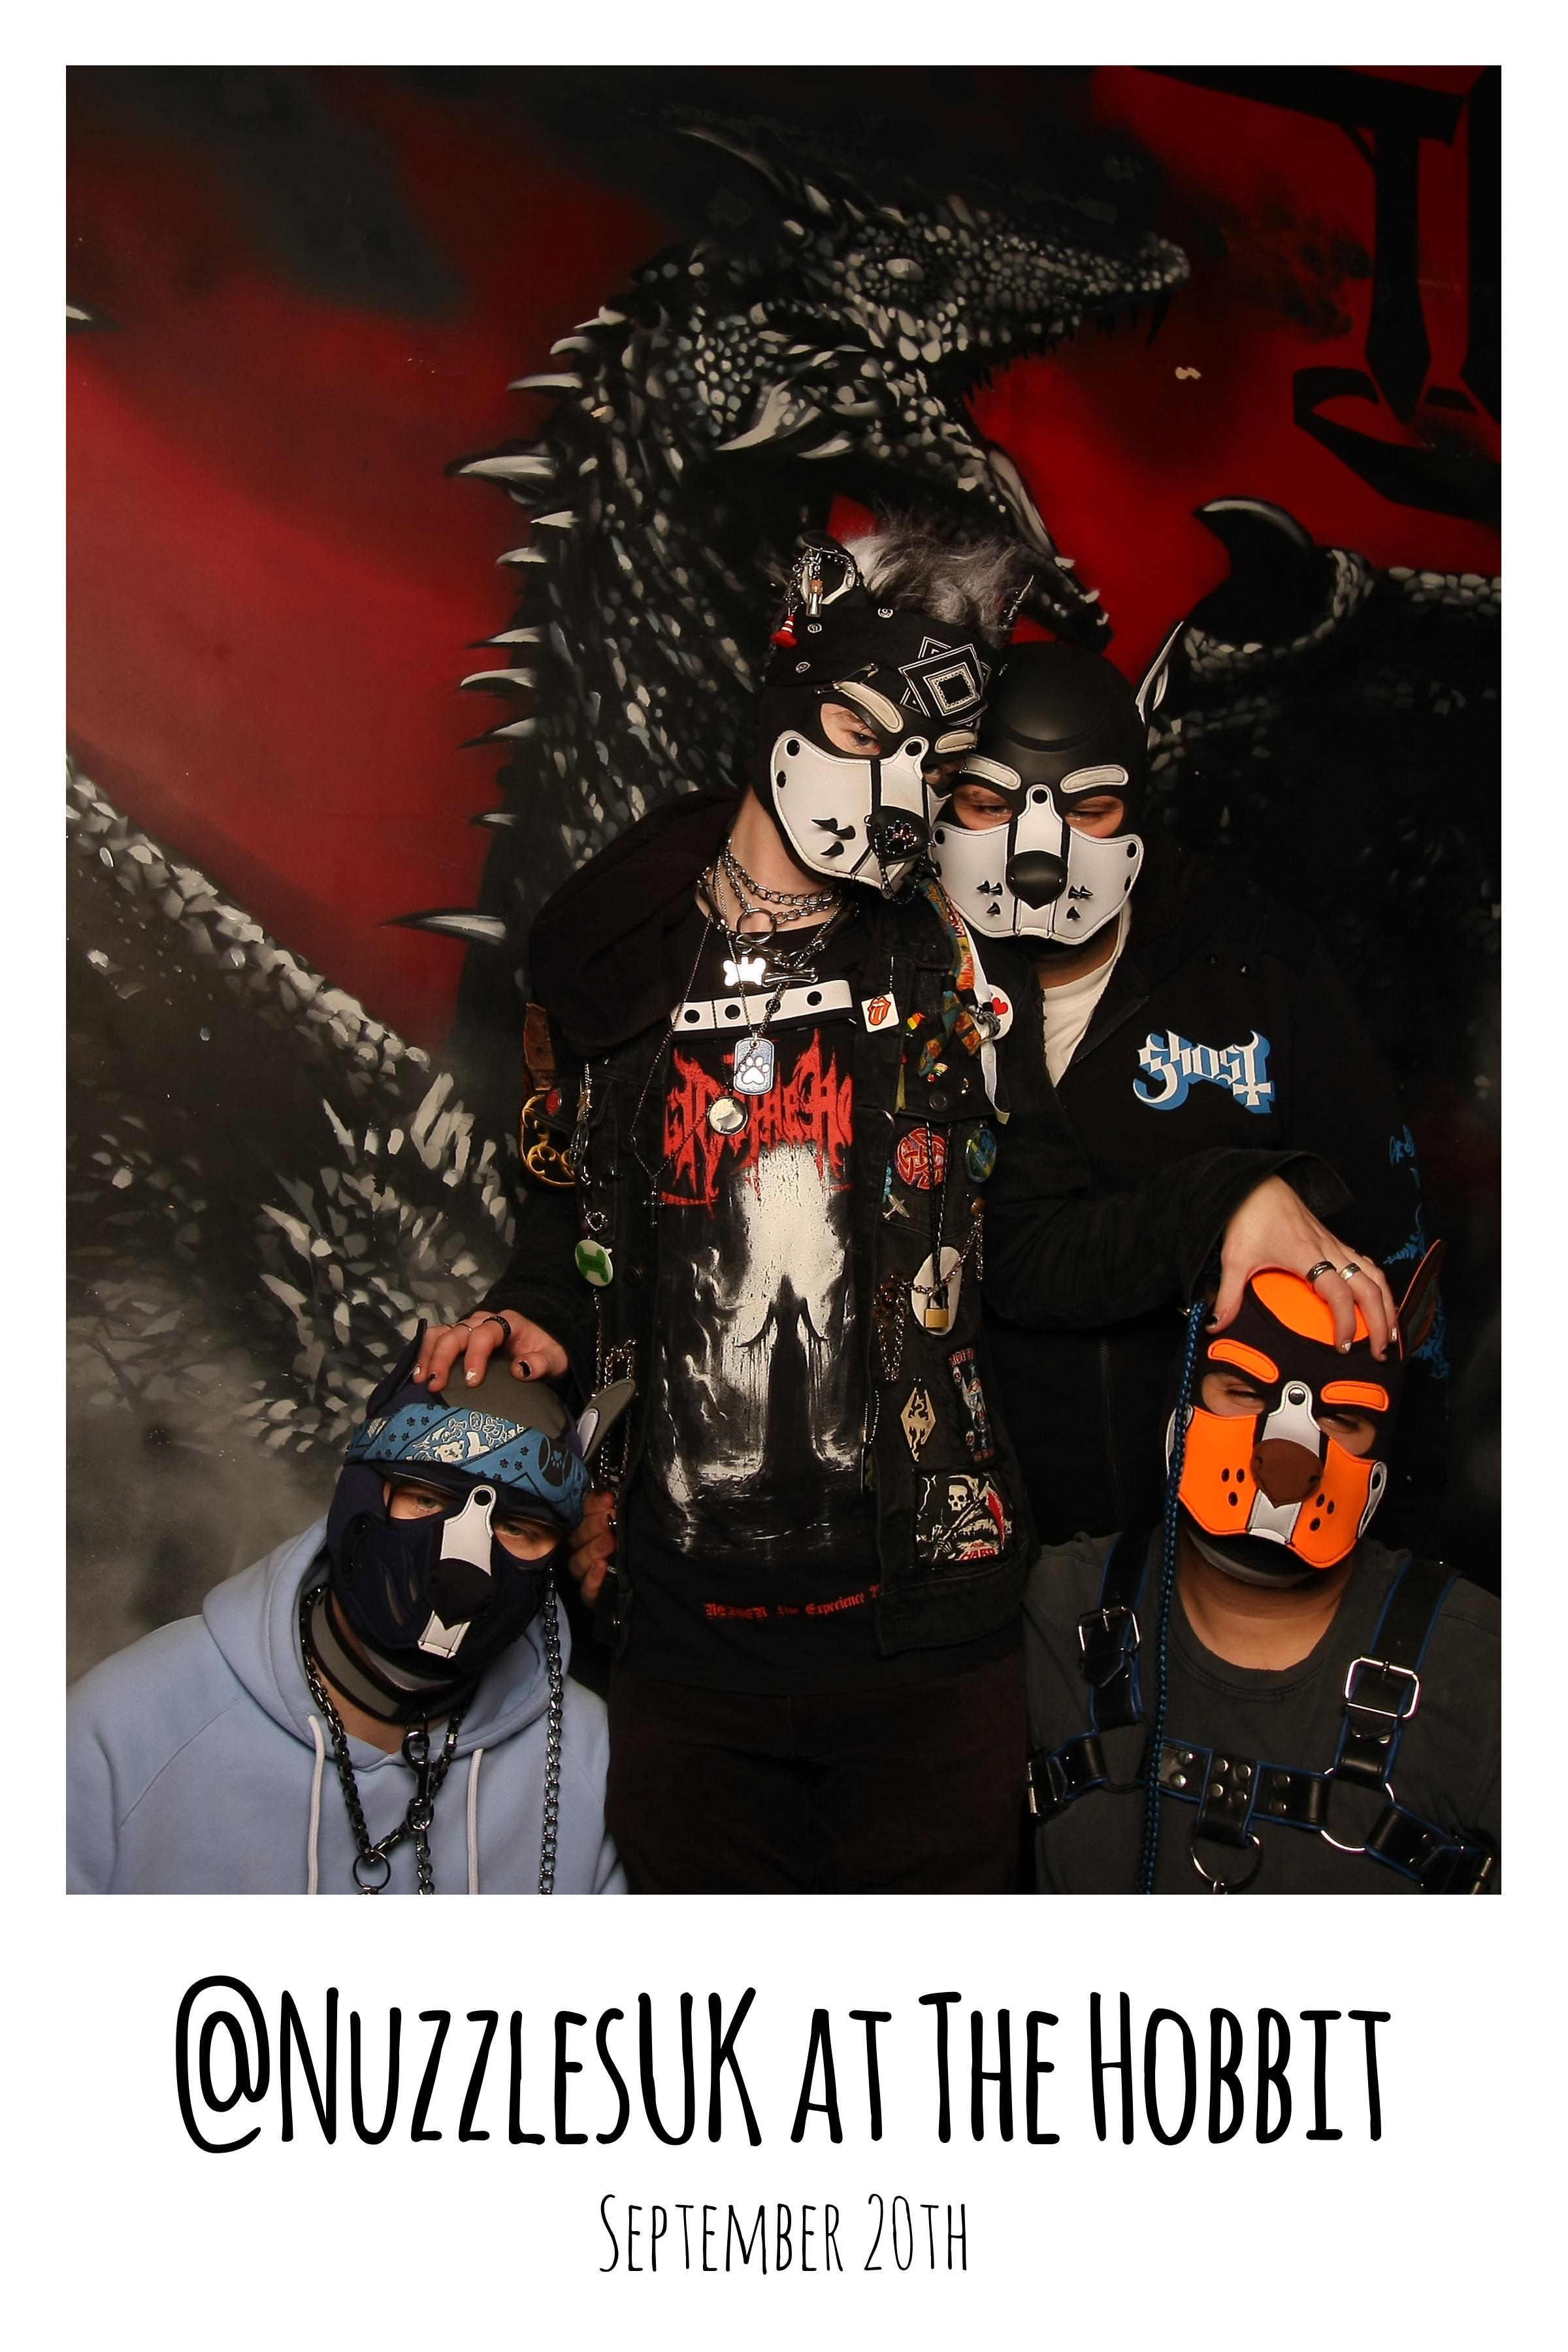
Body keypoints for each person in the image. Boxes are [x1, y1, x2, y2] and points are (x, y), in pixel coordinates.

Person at [416, 523, 1398, 1896]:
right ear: (787, 697)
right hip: (687, 1643)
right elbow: (572, 1228)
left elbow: (1032, 1247)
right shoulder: (622, 958)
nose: (890, 790)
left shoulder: (949, 965)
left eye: (931, 767)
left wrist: (1232, 1200)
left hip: (931, 1650)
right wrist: (532, 1317)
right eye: (861, 732)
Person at [930, 637, 1443, 1548]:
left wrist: (1389, 1554)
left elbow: (1388, 1261)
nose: (1038, 851)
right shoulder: (894, 980)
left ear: (1137, 803)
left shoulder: (1258, 966)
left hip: (1215, 1542)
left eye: (1090, 808)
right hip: (961, 1545)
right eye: (987, 804)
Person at [67, 1343, 629, 1893]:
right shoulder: (127, 1726)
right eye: (427, 1500)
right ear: (358, 1498)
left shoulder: (592, 1759)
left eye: (519, 1528)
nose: (466, 1567)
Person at [1022, 1250, 1497, 1893]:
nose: (1289, 1459)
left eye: (1342, 1418)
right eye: (1244, 1392)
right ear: (1181, 1408)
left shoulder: (1484, 1666)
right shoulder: (1053, 1610)